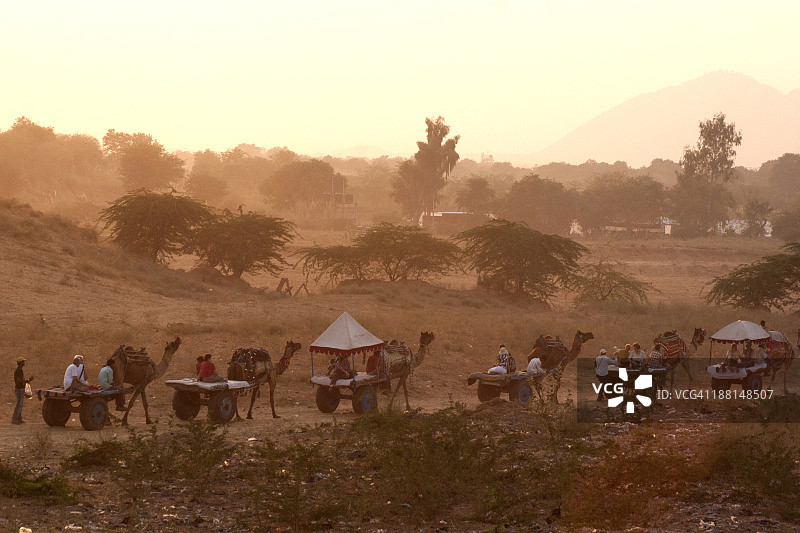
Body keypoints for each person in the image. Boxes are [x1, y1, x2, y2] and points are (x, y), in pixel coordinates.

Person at [12, 357, 34, 424]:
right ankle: (15, 419)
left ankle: (19, 419)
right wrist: (27, 380)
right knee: (19, 405)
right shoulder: (19, 370)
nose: (24, 363)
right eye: (23, 362)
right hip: (19, 389)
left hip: (19, 389)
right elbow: (19, 380)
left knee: (20, 404)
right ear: (21, 363)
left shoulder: (19, 370)